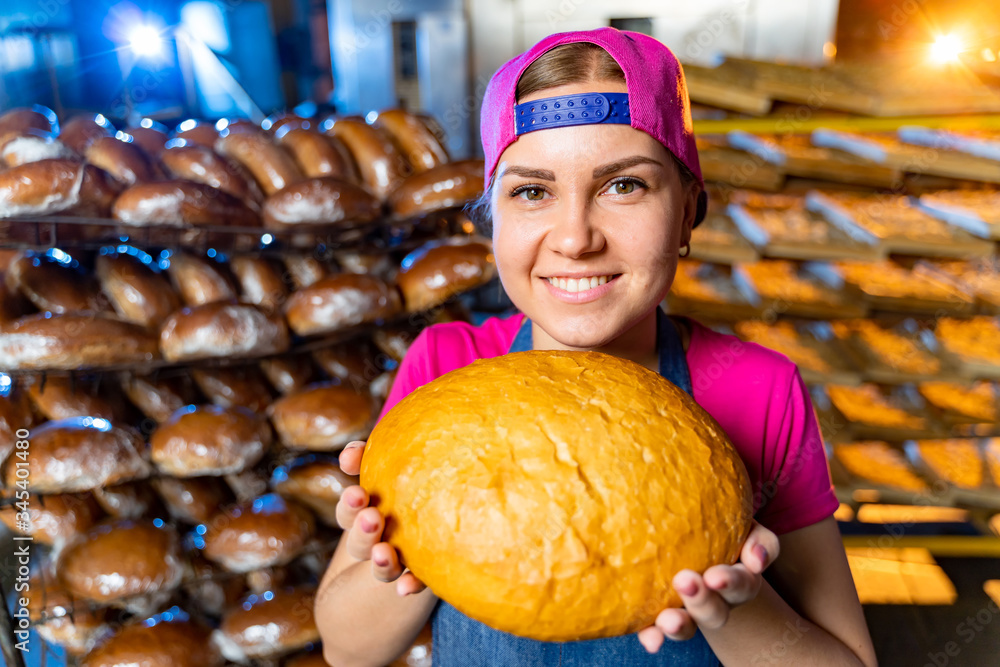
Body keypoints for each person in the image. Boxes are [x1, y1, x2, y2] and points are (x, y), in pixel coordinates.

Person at [316, 27, 878, 667]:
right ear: (492, 219)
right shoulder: (443, 368)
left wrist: (733, 603)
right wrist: (399, 546)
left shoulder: (759, 388)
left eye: (624, 186)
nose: (576, 238)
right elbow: (346, 649)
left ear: (690, 209)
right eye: (532, 191)